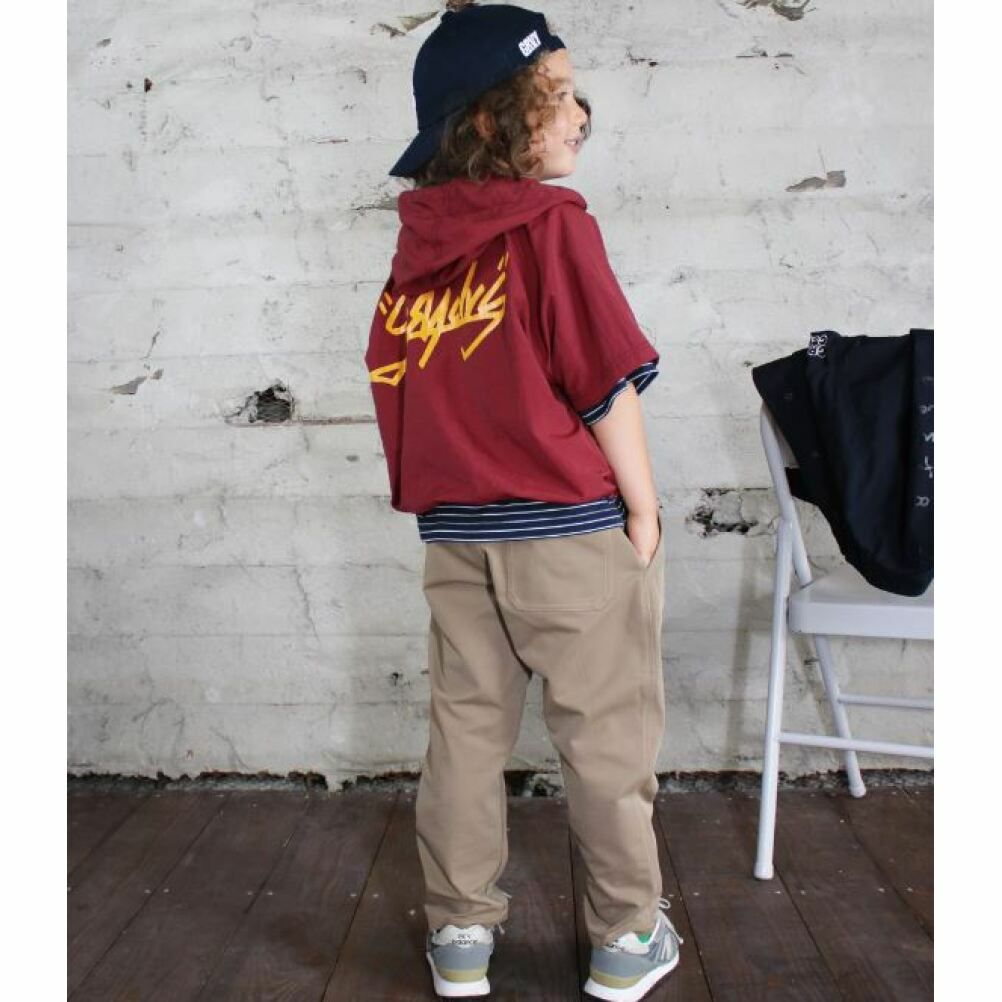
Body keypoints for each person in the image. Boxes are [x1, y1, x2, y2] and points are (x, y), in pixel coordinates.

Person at [364, 3, 683, 999]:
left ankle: (460, 933)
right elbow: (604, 382)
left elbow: (402, 388)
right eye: (556, 93)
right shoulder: (552, 226)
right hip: (569, 531)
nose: (581, 113)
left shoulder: (418, 249)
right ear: (491, 120)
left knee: (465, 734)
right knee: (605, 738)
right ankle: (626, 938)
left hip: (457, 536)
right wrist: (643, 512)